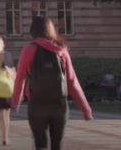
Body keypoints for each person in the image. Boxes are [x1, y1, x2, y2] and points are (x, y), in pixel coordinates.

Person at [11, 16, 93, 150]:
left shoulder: (28, 50)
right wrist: (85, 108)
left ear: (33, 31)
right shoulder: (62, 51)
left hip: (36, 104)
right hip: (59, 104)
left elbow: (20, 79)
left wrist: (15, 103)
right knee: (57, 145)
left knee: (40, 144)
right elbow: (72, 81)